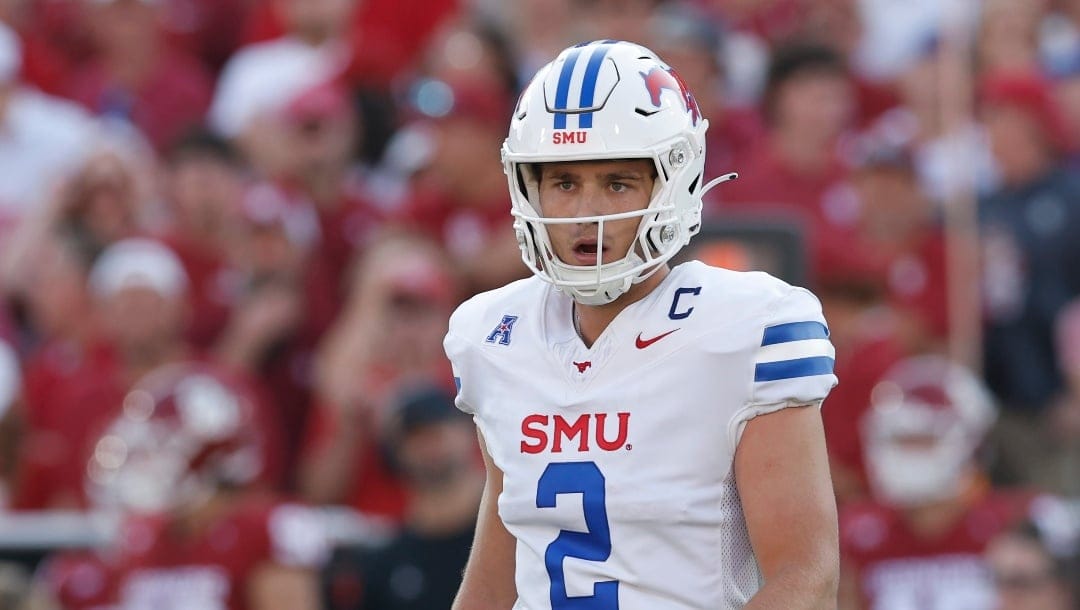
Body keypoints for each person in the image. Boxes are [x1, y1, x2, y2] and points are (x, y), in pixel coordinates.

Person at [444, 40, 840, 609]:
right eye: (564, 183)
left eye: (617, 183)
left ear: (672, 183)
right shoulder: (494, 335)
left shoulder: (749, 328)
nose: (587, 213)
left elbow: (805, 579)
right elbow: (495, 578)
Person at [838, 355, 1043, 609]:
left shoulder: (1017, 520)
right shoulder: (857, 531)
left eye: (923, 440)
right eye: (899, 439)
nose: (907, 454)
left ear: (970, 442)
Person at [321, 385, 483, 610]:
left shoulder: (509, 530)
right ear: (396, 453)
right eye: (415, 436)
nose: (430, 446)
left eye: (438, 429)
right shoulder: (386, 562)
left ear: (469, 432)